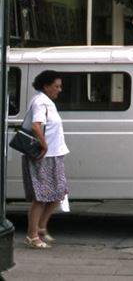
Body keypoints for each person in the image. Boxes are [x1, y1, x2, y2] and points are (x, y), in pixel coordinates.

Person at [22, 70, 69, 249]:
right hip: (44, 156)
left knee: (57, 194)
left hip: (54, 155)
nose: (59, 89)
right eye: (56, 86)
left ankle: (40, 227)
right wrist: (45, 146)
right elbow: (36, 125)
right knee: (41, 197)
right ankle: (32, 235)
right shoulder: (41, 101)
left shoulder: (47, 101)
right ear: (46, 86)